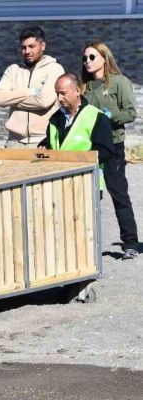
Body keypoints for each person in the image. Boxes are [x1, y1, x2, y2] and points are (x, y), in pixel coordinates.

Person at [80, 41, 140, 259]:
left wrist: (108, 117)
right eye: (84, 58)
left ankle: (130, 243)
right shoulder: (84, 87)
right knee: (89, 196)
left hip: (113, 146)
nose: (87, 61)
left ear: (104, 58)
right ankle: (87, 245)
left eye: (92, 57)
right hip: (89, 148)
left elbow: (130, 113)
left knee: (118, 193)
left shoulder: (119, 82)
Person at [39, 73, 116, 204]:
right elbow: (51, 140)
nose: (59, 98)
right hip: (59, 181)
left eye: (63, 93)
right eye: (57, 93)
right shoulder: (55, 118)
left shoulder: (97, 116)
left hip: (87, 182)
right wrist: (44, 146)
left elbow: (106, 151)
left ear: (78, 91)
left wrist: (77, 160)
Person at [0, 26, 64, 147]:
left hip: (42, 141)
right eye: (23, 47)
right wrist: (30, 92)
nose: (27, 51)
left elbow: (44, 101)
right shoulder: (13, 70)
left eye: (31, 46)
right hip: (14, 142)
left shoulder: (54, 69)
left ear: (42, 46)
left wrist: (12, 100)